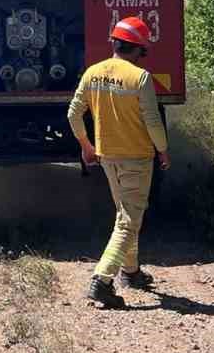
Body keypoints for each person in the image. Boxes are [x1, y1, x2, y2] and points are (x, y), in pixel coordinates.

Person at [66, 17, 171, 310]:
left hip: (107, 156)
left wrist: (87, 147)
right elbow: (152, 120)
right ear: (138, 49)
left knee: (125, 214)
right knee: (129, 220)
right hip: (136, 158)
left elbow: (73, 114)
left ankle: (132, 271)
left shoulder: (93, 73)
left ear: (114, 43)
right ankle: (102, 281)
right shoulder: (140, 78)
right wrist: (163, 150)